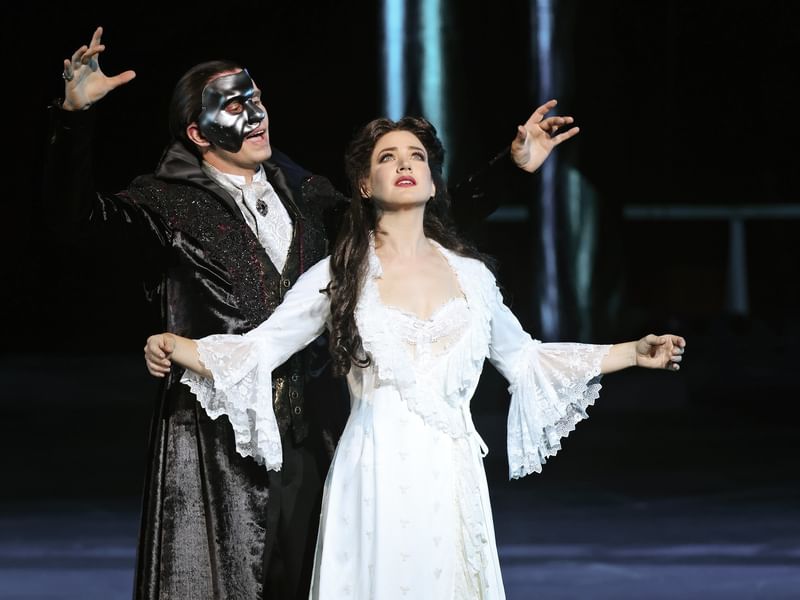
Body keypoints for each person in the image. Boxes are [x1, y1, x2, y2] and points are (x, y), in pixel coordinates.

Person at [45, 27, 579, 600]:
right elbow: (73, 224)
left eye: (256, 98)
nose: (255, 115)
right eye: (234, 105)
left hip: (311, 433)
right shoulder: (166, 203)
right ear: (198, 133)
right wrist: (74, 119)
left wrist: (510, 168)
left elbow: (412, 223)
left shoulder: (308, 196)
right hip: (217, 437)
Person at [144, 116, 686, 599]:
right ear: (365, 184)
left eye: (416, 157)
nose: (404, 165)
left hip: (452, 477)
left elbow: (527, 361)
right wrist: (175, 344)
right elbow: (261, 348)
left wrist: (632, 353)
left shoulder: (472, 278)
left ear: (432, 181)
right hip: (373, 473)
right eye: (388, 157)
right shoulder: (340, 274)